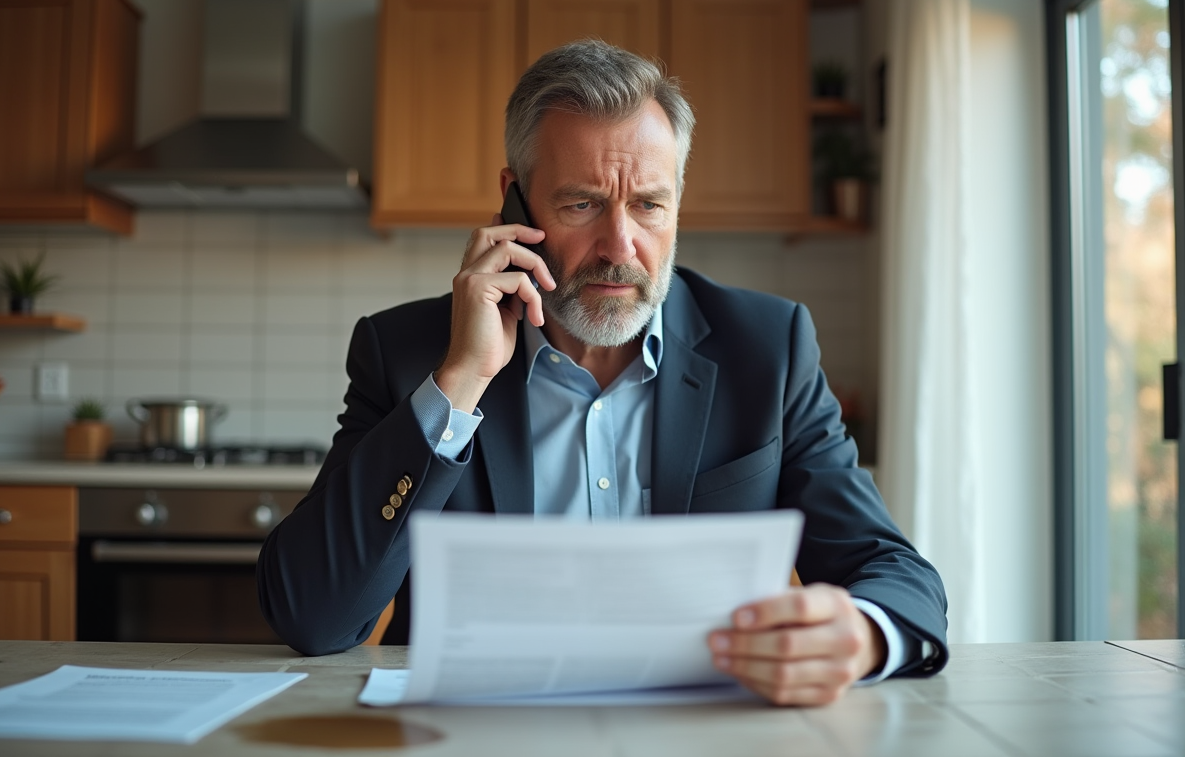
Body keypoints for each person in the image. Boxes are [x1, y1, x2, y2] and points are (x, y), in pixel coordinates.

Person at [258, 39, 948, 707]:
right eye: (582, 203)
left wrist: (860, 636)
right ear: (514, 201)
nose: (621, 247)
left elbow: (897, 575)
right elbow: (312, 614)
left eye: (649, 204)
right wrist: (460, 382)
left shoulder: (766, 350)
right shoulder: (407, 352)